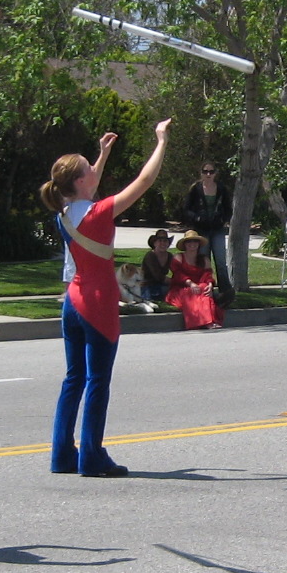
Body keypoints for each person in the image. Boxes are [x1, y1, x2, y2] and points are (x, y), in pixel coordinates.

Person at [41, 118, 173, 479]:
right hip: (97, 301)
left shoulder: (65, 211)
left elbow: (86, 184)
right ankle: (93, 457)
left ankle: (62, 455)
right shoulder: (97, 212)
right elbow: (144, 182)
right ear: (81, 181)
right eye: (89, 171)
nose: (94, 174)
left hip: (72, 299)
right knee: (98, 380)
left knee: (74, 379)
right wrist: (160, 142)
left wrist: (102, 154)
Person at [180, 162, 234, 301]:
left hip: (217, 229)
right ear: (201, 173)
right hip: (201, 230)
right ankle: (205, 289)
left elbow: (228, 209)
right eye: (205, 171)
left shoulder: (221, 189)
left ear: (216, 173)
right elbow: (186, 209)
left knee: (221, 261)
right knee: (204, 260)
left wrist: (222, 219)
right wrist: (197, 217)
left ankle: (225, 292)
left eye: (211, 171)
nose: (208, 174)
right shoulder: (195, 189)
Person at [165, 231, 224, 329]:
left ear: (198, 244)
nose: (192, 244)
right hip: (180, 290)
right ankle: (206, 322)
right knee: (195, 291)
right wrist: (190, 283)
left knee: (204, 288)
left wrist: (209, 285)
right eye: (189, 242)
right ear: (184, 245)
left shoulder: (204, 259)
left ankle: (208, 321)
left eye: (195, 242)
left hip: (199, 288)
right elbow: (178, 275)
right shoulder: (178, 257)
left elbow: (208, 275)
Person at [139, 231, 176, 301]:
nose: (163, 243)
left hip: (162, 284)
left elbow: (176, 270)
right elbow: (158, 276)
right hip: (148, 285)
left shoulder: (169, 256)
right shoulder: (150, 255)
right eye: (160, 241)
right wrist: (175, 282)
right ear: (155, 243)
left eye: (165, 241)